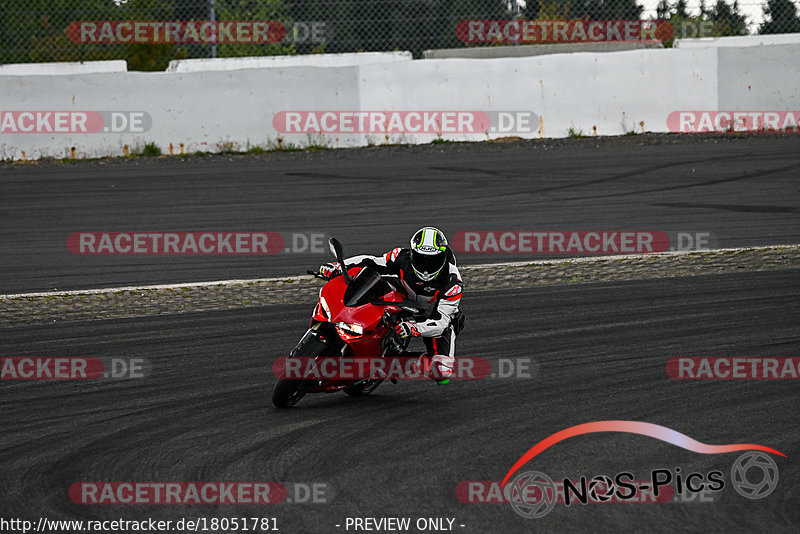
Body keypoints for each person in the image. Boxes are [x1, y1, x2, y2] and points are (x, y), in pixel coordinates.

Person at [319, 227, 464, 385]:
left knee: (442, 372)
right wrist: (338, 267)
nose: (426, 267)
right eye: (421, 259)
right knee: (370, 280)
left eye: (433, 261)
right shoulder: (400, 256)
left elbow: (441, 322)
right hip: (403, 296)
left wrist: (412, 328)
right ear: (412, 254)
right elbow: (371, 262)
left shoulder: (452, 282)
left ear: (443, 257)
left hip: (431, 317)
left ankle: (394, 364)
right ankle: (351, 322)